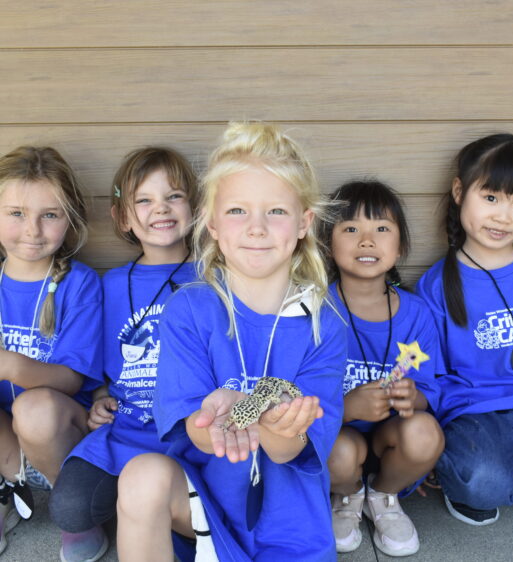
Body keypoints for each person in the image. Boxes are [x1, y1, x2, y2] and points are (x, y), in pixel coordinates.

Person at [116, 122, 347, 561]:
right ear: (213, 223)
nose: (256, 228)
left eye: (276, 212)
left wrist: (275, 426)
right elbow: (195, 432)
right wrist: (214, 421)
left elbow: (290, 449)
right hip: (207, 515)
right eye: (238, 211)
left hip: (290, 531)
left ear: (303, 223)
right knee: (141, 476)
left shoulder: (325, 325)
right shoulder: (189, 309)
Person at [416, 133, 513, 542]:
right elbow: (431, 378)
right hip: (486, 417)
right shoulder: (435, 285)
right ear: (459, 191)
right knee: (480, 483)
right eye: (491, 198)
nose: (504, 216)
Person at [49, 147, 198, 562]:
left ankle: (166, 517)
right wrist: (99, 403)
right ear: (123, 217)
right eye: (144, 200)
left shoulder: (214, 277)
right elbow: (99, 374)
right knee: (70, 508)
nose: (161, 209)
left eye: (174, 196)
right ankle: (139, 511)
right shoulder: (111, 284)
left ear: (194, 207)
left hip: (192, 433)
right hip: (127, 429)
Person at [324, 179, 444, 556]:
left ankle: (382, 495)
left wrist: (413, 398)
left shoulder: (417, 314)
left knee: (424, 433)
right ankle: (347, 495)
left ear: (401, 245)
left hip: (391, 437)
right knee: (338, 453)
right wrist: (346, 407)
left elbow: (430, 393)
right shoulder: (314, 309)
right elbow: (295, 396)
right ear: (329, 243)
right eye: (350, 228)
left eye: (381, 228)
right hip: (337, 436)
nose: (366, 240)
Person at [0, 146, 103, 555]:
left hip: (58, 439)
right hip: (6, 444)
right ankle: (6, 493)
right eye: (16, 213)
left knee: (35, 409)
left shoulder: (79, 283)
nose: (32, 230)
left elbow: (70, 379)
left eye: (50, 214)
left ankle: (73, 512)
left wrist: (10, 365)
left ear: (70, 218)